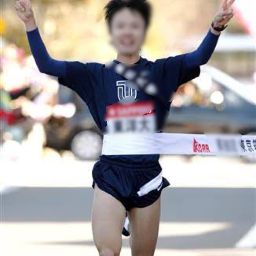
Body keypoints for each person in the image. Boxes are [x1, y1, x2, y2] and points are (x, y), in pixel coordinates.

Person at [15, 0, 235, 255]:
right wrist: (30, 23)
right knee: (108, 252)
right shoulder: (94, 74)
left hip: (147, 176)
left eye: (134, 26)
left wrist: (215, 27)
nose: (127, 32)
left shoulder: (162, 71)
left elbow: (199, 57)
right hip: (111, 174)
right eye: (120, 26)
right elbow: (47, 65)